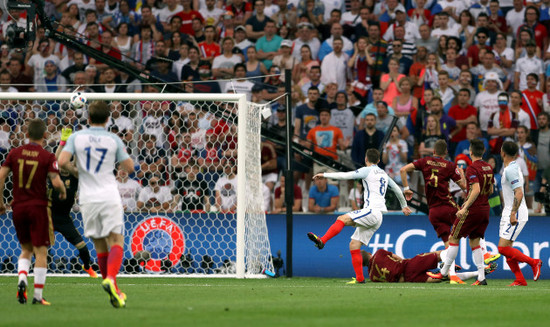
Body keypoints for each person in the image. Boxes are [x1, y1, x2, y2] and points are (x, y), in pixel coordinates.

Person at [58, 101, 135, 308]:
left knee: (100, 245)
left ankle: (115, 291)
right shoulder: (113, 139)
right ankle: (111, 280)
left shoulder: (76, 137)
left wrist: (79, 172)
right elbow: (130, 167)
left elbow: (62, 162)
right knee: (116, 239)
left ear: (88, 119)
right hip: (109, 195)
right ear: (108, 119)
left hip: (88, 198)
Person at [307, 148, 412, 284]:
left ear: (366, 159)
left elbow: (347, 175)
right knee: (354, 244)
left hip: (372, 211)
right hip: (378, 216)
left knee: (341, 219)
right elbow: (397, 189)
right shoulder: (384, 174)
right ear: (379, 161)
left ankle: (323, 241)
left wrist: (325, 175)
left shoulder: (366, 170)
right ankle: (360, 279)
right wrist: (404, 206)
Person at [0, 119, 66, 305]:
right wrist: (63, 191)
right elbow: (56, 181)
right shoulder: (47, 156)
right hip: (38, 208)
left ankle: (22, 279)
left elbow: (1, 176)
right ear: (45, 135)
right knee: (41, 252)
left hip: (18, 207)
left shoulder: (15, 153)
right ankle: (37, 296)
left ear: (26, 134)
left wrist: (1, 203)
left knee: (25, 249)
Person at [400, 139, 467, 284]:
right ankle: (484, 256)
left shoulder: (425, 161)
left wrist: (406, 189)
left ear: (434, 151)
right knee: (470, 224)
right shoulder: (449, 165)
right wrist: (461, 174)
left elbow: (403, 169)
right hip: (448, 207)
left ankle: (452, 275)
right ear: (446, 153)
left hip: (434, 212)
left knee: (448, 243)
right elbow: (464, 187)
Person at [436, 139, 494, 286]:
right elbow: (491, 190)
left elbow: (476, 190)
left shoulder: (472, 168)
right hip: (485, 209)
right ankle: (481, 277)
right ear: (484, 151)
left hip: (473, 210)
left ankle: (443, 273)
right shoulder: (488, 167)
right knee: (475, 241)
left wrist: (464, 208)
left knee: (453, 238)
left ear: (471, 151)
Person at [51, 128, 98, 278]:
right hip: (48, 216)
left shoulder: (75, 175)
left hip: (64, 218)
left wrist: (78, 146)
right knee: (36, 248)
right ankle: (31, 269)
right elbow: (56, 160)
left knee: (83, 248)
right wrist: (63, 142)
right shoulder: (53, 174)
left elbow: (76, 163)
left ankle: (87, 267)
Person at [497, 141, 542, 286]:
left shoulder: (511, 170)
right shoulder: (511, 167)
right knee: (507, 249)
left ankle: (534, 262)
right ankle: (520, 280)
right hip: (508, 211)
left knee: (502, 248)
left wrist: (513, 213)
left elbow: (519, 192)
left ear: (502, 152)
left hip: (515, 212)